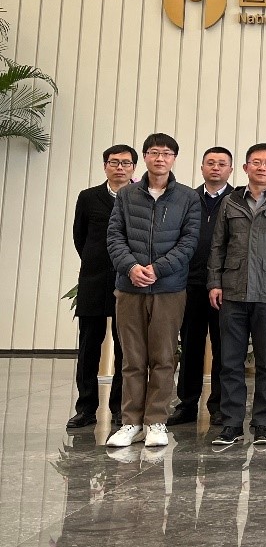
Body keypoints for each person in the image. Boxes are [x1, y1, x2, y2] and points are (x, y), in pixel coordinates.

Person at [105, 133, 201, 449]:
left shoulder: (187, 197)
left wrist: (157, 269)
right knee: (132, 359)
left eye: (167, 153)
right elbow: (114, 237)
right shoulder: (126, 195)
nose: (160, 158)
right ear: (145, 157)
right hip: (129, 288)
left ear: (174, 159)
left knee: (163, 357)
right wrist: (131, 267)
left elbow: (189, 242)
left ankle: (156, 421)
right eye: (154, 152)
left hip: (169, 288)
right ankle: (130, 422)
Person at [207, 144, 266, 448]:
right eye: (256, 162)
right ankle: (231, 423)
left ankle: (263, 422)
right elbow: (218, 246)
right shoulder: (230, 202)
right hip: (233, 291)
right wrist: (214, 282)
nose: (262, 167)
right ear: (246, 168)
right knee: (230, 361)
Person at [68, 144, 136, 430]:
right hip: (94, 280)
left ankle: (119, 408)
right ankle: (85, 408)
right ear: (105, 166)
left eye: (126, 163)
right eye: (114, 162)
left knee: (125, 349)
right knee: (88, 347)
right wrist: (95, 260)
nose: (119, 167)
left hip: (127, 281)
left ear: (134, 168)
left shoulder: (140, 197)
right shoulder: (88, 197)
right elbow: (80, 237)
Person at [169, 146, 233, 427]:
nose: (215, 168)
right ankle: (187, 403)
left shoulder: (237, 199)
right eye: (210, 163)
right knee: (190, 345)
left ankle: (218, 405)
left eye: (221, 163)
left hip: (226, 286)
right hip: (190, 284)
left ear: (231, 169)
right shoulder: (187, 198)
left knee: (223, 348)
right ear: (202, 168)